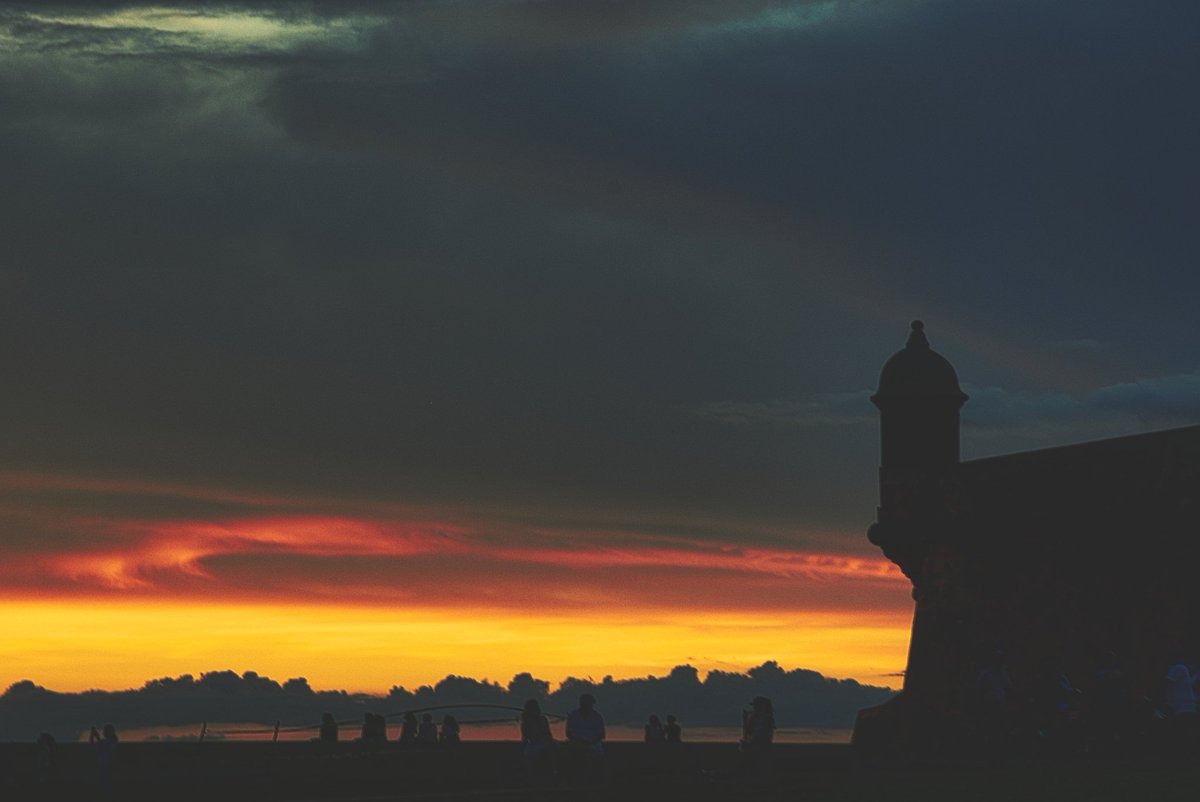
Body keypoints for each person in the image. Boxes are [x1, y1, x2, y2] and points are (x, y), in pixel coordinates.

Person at [565, 693, 605, 784]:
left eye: (588, 703)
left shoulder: (597, 717)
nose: (586, 705)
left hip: (594, 745)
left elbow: (601, 734)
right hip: (577, 744)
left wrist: (590, 743)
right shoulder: (573, 716)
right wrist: (579, 741)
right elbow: (569, 733)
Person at [739, 697, 774, 782]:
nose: (754, 708)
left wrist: (750, 743)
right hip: (759, 745)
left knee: (756, 765)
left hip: (758, 746)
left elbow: (757, 732)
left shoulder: (762, 718)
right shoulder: (763, 717)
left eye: (756, 706)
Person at [521, 699, 555, 783]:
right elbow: (526, 737)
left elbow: (548, 734)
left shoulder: (543, 719)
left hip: (545, 743)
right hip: (534, 744)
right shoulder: (526, 722)